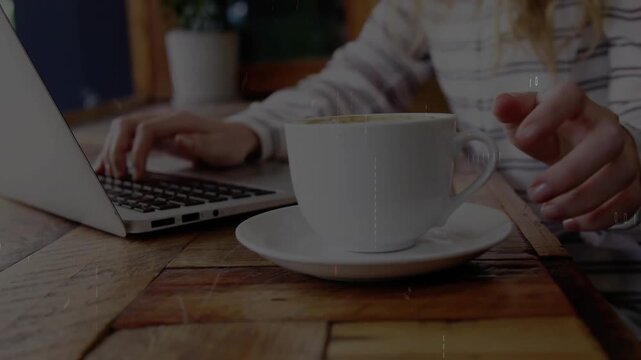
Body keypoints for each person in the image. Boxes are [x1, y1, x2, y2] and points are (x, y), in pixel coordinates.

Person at [95, 0, 641, 234]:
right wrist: (250, 129)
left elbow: (632, 140)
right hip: (503, 266)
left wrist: (632, 169)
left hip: (607, 293)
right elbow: (355, 80)